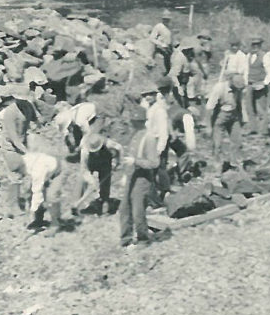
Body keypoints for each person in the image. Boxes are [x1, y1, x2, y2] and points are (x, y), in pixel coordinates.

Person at [119, 84, 163, 247]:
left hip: (143, 179)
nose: (132, 124)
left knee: (138, 210)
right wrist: (125, 174)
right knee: (124, 208)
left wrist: (136, 162)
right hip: (131, 176)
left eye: (135, 122)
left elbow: (154, 163)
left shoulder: (149, 138)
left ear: (141, 122)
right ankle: (125, 238)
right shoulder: (134, 135)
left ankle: (143, 238)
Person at [0, 86, 38, 217]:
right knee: (16, 176)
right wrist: (28, 153)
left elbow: (37, 122)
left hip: (24, 144)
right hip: (11, 148)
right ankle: (12, 206)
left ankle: (29, 201)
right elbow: (14, 139)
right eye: (20, 100)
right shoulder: (10, 113)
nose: (23, 102)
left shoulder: (28, 107)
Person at [206, 73, 247, 169]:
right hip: (220, 115)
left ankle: (236, 164)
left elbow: (240, 103)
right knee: (217, 143)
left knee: (237, 141)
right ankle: (218, 164)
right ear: (230, 82)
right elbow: (209, 108)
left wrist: (242, 119)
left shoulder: (238, 89)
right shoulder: (219, 88)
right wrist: (208, 126)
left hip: (234, 115)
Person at [77, 132, 123, 215]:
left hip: (105, 162)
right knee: (84, 181)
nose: (96, 152)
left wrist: (118, 162)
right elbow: (84, 169)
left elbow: (119, 148)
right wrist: (91, 181)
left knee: (105, 183)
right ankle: (82, 203)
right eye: (94, 151)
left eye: (98, 150)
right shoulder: (85, 151)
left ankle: (104, 202)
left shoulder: (108, 143)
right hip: (91, 163)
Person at [166, 103, 198, 184]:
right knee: (183, 151)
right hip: (166, 132)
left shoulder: (177, 110)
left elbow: (171, 120)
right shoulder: (187, 116)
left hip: (161, 131)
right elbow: (189, 134)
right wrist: (192, 147)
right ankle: (181, 173)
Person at [244, 36, 269, 134]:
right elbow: (246, 71)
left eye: (257, 45)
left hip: (260, 84)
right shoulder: (248, 56)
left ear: (260, 45)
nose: (255, 47)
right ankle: (253, 129)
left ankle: (263, 130)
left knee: (261, 108)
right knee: (249, 107)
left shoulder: (265, 56)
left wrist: (264, 83)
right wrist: (246, 84)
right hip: (250, 83)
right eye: (253, 45)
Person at [168, 37, 197, 107]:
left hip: (183, 81)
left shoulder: (185, 57)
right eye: (189, 49)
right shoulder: (179, 57)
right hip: (176, 82)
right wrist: (179, 87)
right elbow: (173, 74)